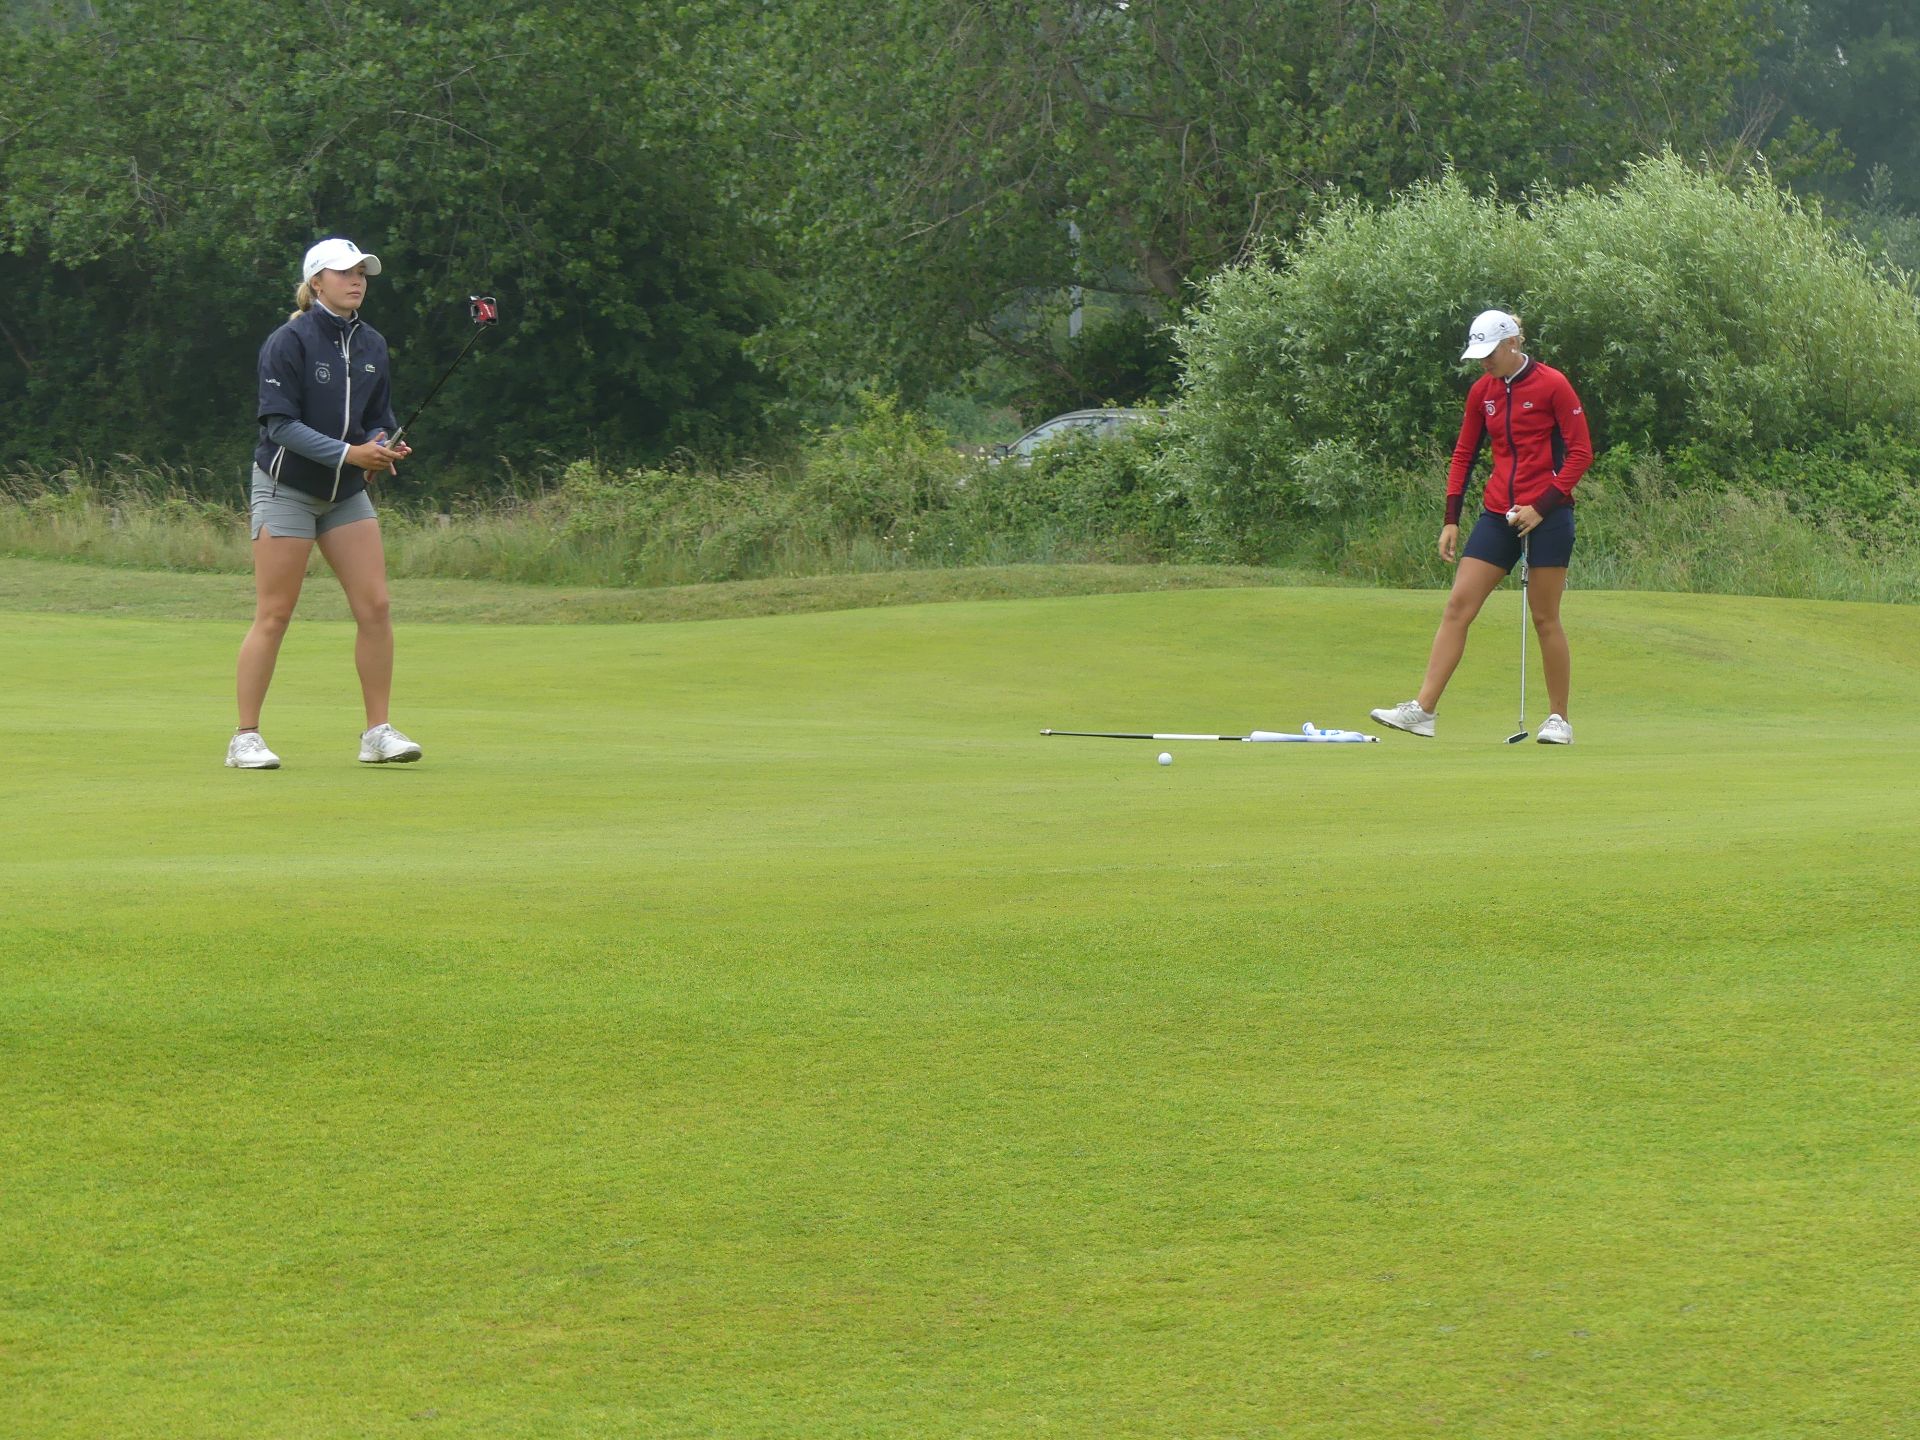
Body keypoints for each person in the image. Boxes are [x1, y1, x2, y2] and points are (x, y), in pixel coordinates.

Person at [226, 237, 423, 770]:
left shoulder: (372, 344)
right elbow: (280, 425)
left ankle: (377, 733)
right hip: (285, 487)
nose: (356, 280)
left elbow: (379, 417)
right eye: (344, 272)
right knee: (275, 613)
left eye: (361, 272)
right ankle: (245, 738)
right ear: (317, 282)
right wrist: (352, 453)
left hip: (344, 494)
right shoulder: (289, 341)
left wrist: (381, 445)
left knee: (375, 607)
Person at [1371, 309, 1592, 744]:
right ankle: (1423, 711)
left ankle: (1558, 720)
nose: (1484, 362)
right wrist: (1451, 518)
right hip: (1497, 514)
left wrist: (1541, 507)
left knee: (1545, 617)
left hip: (1549, 515)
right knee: (1458, 605)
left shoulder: (1553, 384)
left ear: (1513, 344)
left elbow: (1581, 453)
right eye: (1479, 355)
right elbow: (1464, 454)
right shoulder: (1482, 392)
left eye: (1490, 353)